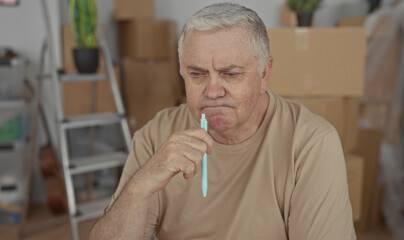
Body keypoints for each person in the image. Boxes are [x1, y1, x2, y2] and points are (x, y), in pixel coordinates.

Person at [89, 3, 356, 240]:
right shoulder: (155, 136)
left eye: (230, 74)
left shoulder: (311, 143)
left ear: (265, 74)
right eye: (197, 74)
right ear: (182, 73)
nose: (213, 91)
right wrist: (140, 186)